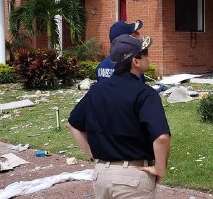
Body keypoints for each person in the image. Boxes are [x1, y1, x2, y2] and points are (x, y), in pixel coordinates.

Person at [68, 34, 171, 199]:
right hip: (133, 178)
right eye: (145, 53)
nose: (148, 57)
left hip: (101, 176)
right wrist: (160, 168)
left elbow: (73, 124)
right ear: (135, 61)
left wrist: (93, 155)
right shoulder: (145, 94)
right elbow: (161, 138)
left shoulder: (96, 90)